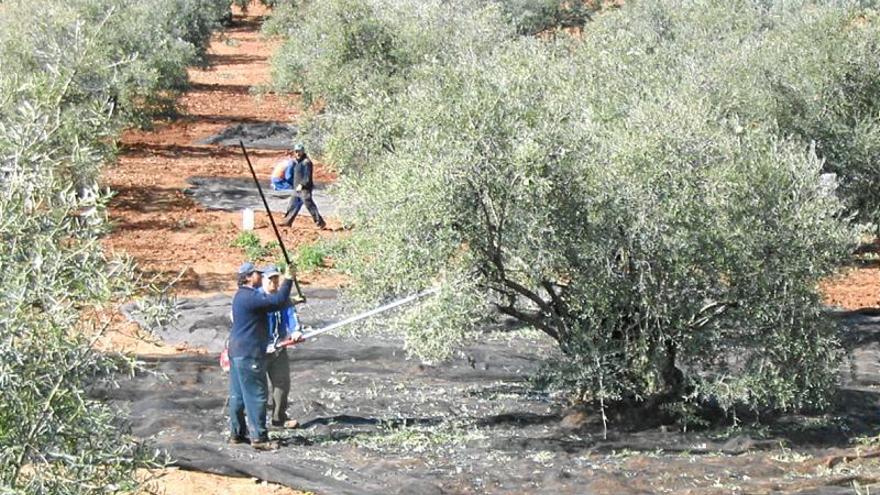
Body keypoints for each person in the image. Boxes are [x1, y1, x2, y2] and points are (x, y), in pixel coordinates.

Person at [227, 261, 294, 451]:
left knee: (238, 395)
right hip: (249, 354)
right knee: (257, 396)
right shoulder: (249, 297)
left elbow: (271, 305)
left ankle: (237, 434)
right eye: (257, 273)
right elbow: (277, 301)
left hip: (237, 351)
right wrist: (288, 279)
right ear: (248, 277)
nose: (260, 275)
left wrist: (290, 300)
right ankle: (259, 438)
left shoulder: (241, 297)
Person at [261, 265, 303, 428]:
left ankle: (279, 418)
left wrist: (295, 331)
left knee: (282, 384)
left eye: (276, 279)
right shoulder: (257, 299)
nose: (274, 283)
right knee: (259, 390)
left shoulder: (282, 299)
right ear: (263, 280)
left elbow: (291, 316)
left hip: (278, 350)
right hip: (259, 351)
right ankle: (256, 423)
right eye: (270, 279)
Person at [279, 143, 326, 229]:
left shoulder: (306, 162)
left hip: (305, 189)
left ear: (303, 151)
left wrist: (302, 184)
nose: (297, 153)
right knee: (292, 205)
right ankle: (287, 222)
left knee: (309, 205)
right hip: (296, 188)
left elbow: (307, 177)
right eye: (296, 151)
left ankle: (320, 222)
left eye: (299, 151)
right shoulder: (297, 162)